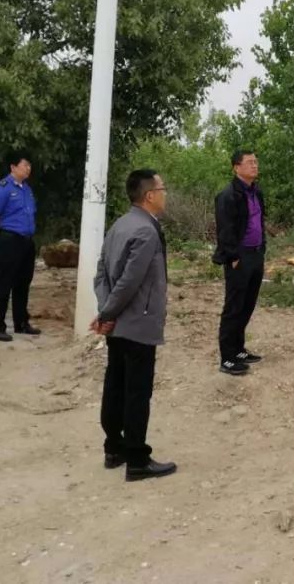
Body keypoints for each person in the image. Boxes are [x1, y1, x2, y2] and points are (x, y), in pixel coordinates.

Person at [89, 169, 176, 482]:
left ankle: (114, 448)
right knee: (137, 392)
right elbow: (129, 281)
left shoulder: (120, 225)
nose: (165, 194)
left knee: (115, 384)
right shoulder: (146, 231)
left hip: (118, 324)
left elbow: (101, 274)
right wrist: (108, 313)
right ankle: (137, 459)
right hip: (138, 322)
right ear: (150, 195)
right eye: (162, 188)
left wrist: (105, 312)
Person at [213, 149, 265, 376]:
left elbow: (259, 222)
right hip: (239, 257)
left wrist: (262, 249)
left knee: (247, 304)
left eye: (256, 161)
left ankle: (239, 349)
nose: (254, 165)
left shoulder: (256, 192)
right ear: (236, 167)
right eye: (250, 162)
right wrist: (233, 257)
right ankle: (227, 357)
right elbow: (225, 230)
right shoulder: (228, 195)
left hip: (256, 254)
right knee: (234, 307)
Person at [0, 151, 40, 341]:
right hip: (9, 240)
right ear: (13, 167)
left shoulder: (26, 189)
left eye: (29, 166)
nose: (28, 169)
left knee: (23, 283)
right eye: (25, 165)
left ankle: (21, 323)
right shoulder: (2, 188)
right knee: (3, 284)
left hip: (26, 241)